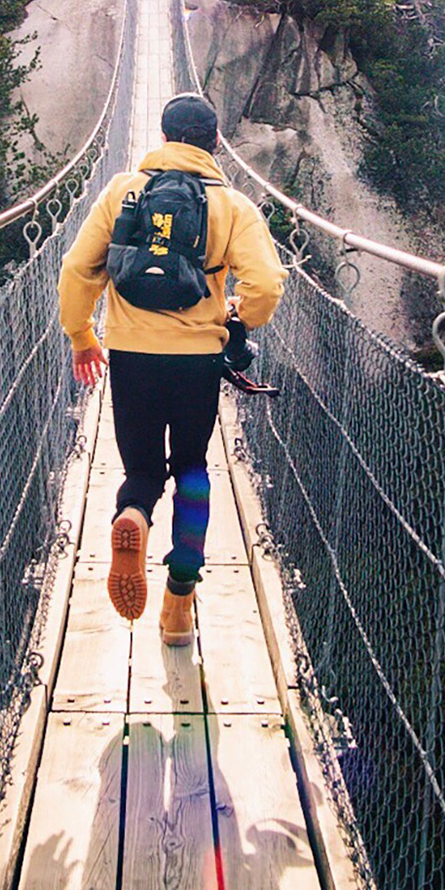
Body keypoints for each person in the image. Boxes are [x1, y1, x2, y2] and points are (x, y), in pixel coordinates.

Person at [58, 91, 285, 644]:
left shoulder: (121, 191)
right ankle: (179, 603)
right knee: (191, 471)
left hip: (132, 356)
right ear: (214, 144)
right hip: (197, 364)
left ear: (162, 139)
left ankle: (132, 514)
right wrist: (237, 317)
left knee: (141, 471)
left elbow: (77, 268)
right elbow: (266, 285)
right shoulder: (232, 205)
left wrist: (82, 336)